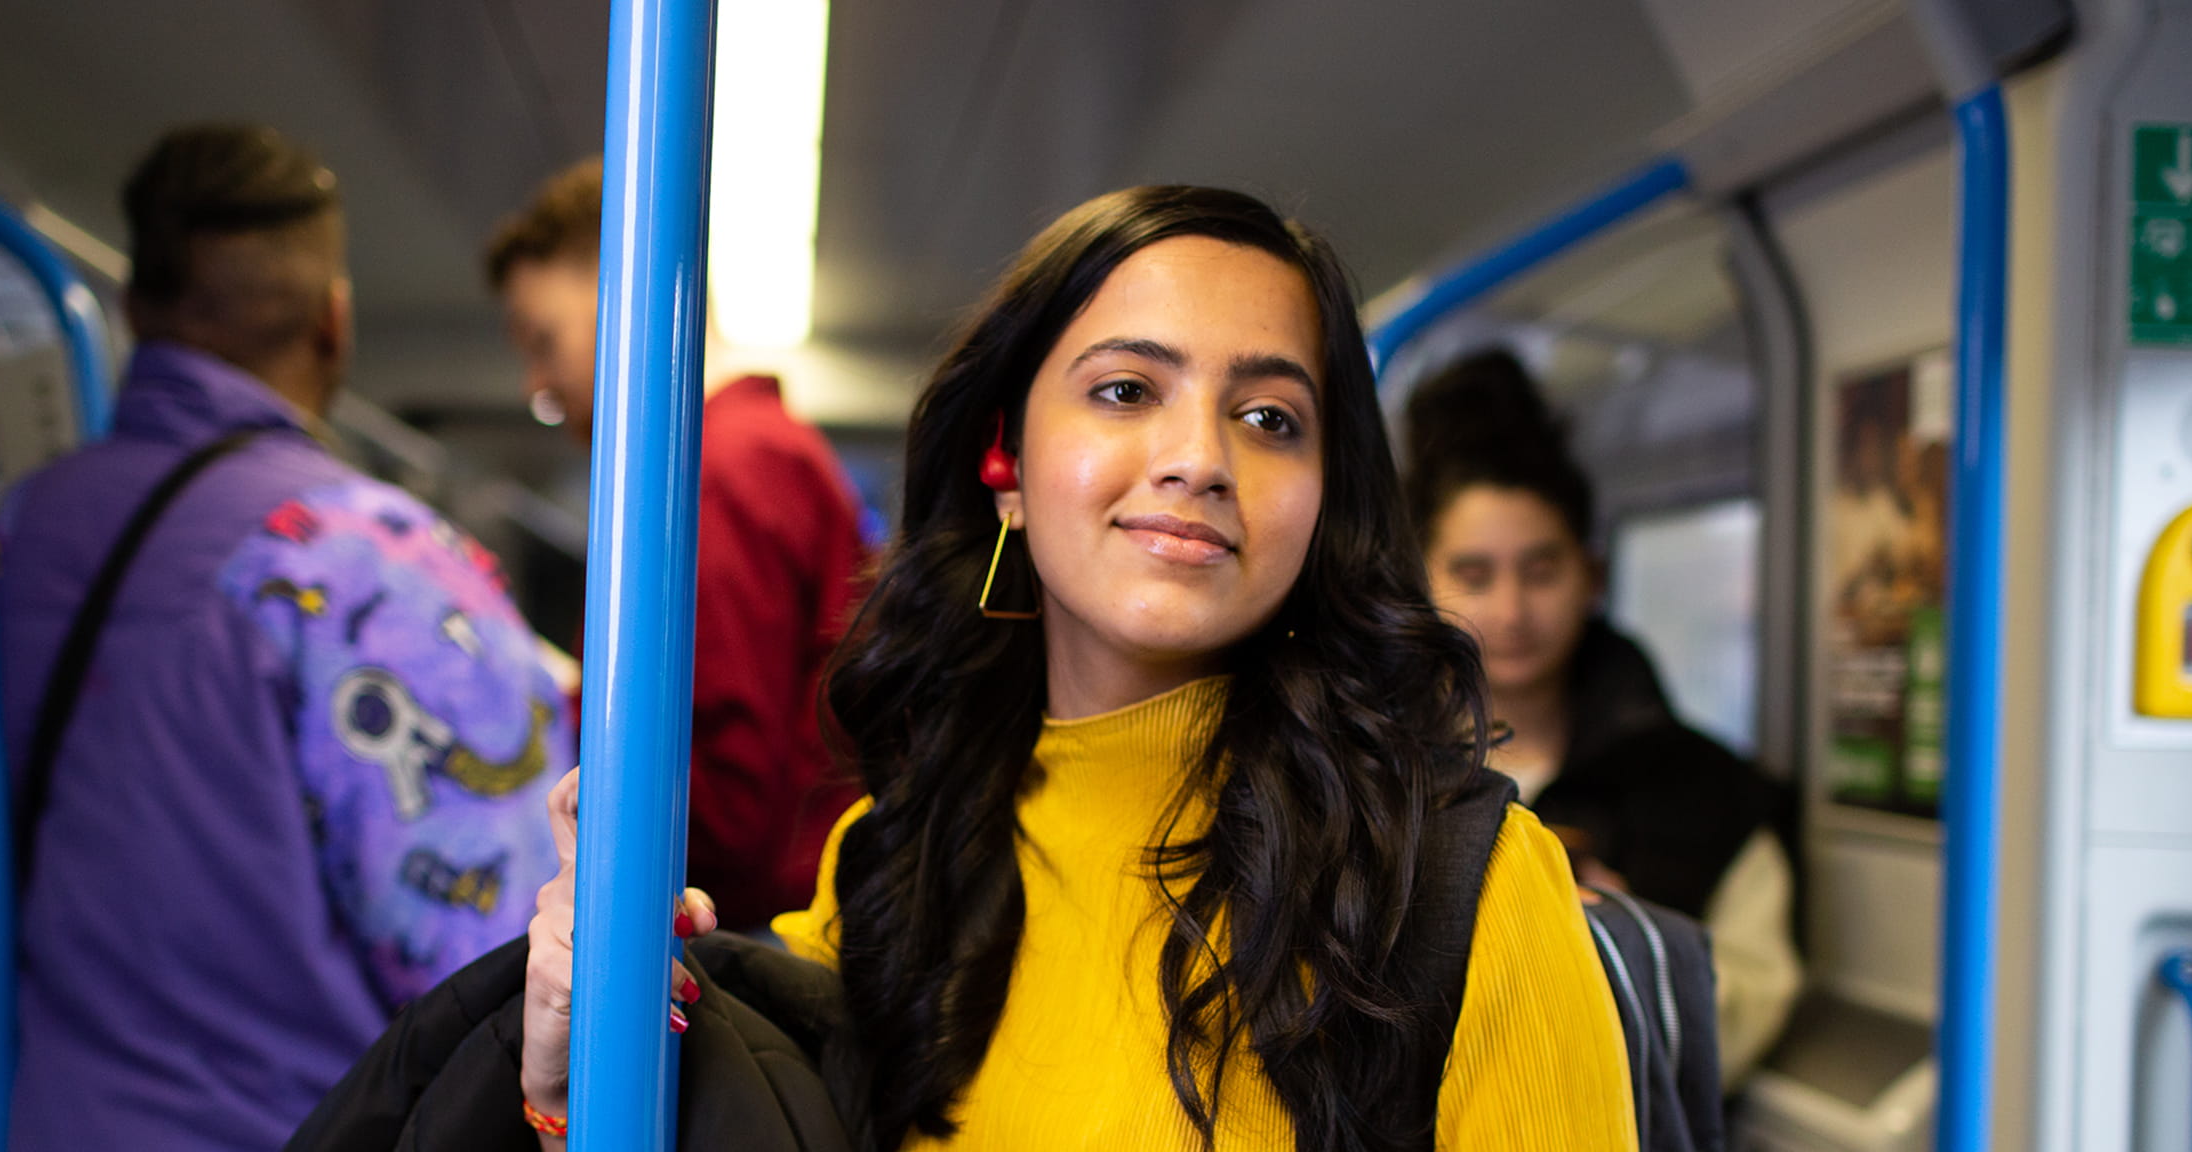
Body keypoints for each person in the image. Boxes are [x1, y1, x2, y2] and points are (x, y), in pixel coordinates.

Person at [515, 187, 1636, 1149]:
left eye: (1268, 416)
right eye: (1125, 391)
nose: (1200, 458)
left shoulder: (1456, 888)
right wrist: (584, 1076)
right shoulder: (895, 865)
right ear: (1005, 461)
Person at [0, 125, 570, 1150]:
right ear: (334, 323)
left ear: (136, 313)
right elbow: (514, 970)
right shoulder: (371, 558)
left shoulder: (14, 533)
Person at [483, 158, 871, 931]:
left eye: (543, 339)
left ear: (616, 289)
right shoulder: (762, 454)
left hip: (753, 930)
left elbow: (725, 805)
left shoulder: (717, 472)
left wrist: (548, 720)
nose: (538, 384)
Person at [1402, 348, 1801, 1085]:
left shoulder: (1710, 795)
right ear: (1421, 579)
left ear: (1593, 576)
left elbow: (1753, 1004)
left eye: (1542, 570)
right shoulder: (1365, 770)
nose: (1513, 610)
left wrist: (1635, 949)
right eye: (1474, 574)